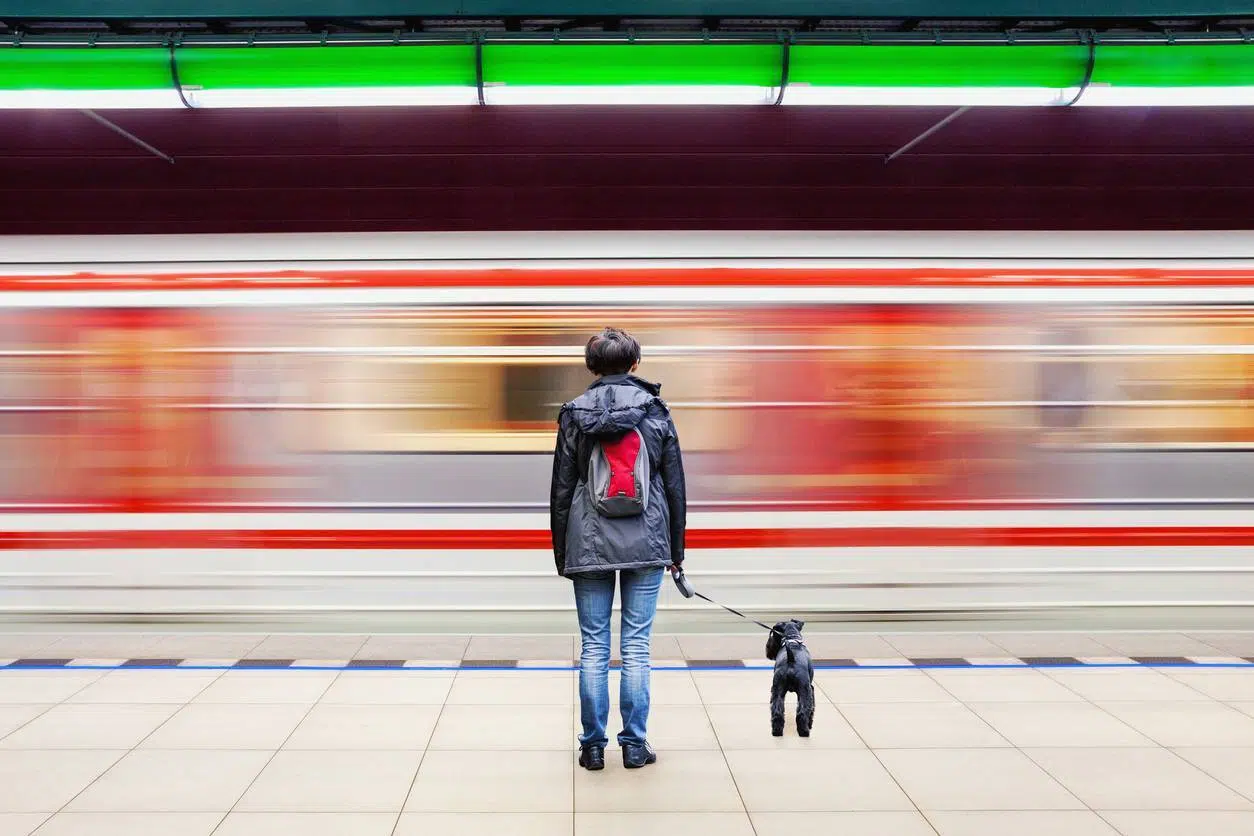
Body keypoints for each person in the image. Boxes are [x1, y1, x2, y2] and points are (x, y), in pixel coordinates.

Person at [550, 327, 686, 772]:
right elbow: (674, 486)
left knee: (593, 646)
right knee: (636, 646)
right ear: (635, 364)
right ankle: (633, 745)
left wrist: (562, 552)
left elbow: (562, 488)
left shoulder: (573, 415)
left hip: (587, 541)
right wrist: (676, 551)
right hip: (647, 540)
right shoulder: (656, 411)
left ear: (592, 367)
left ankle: (592, 747)